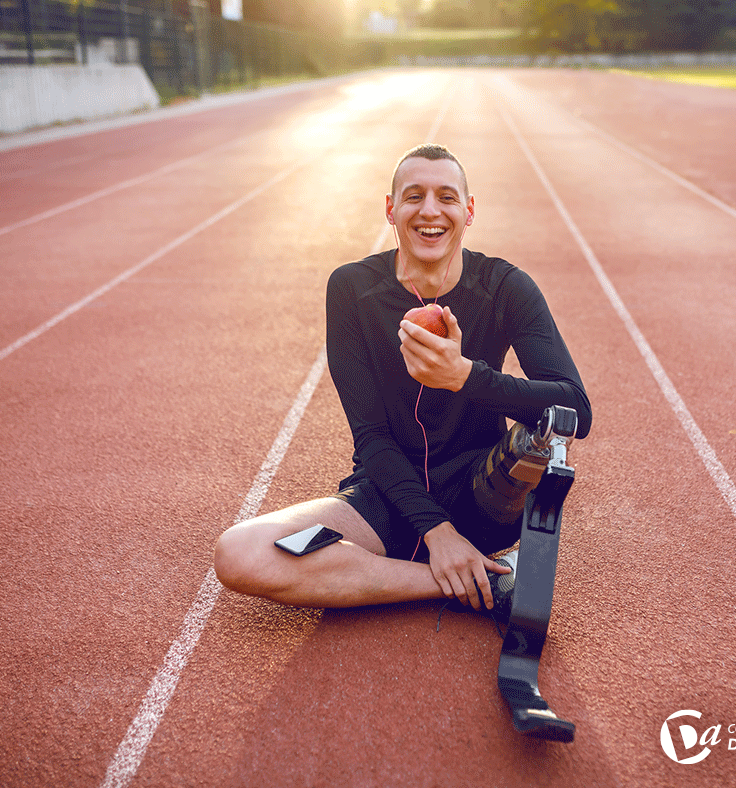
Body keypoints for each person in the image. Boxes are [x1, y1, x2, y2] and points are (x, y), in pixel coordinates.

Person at [214, 144, 591, 623]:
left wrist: (465, 377)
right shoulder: (351, 289)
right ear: (391, 209)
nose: (430, 210)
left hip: (481, 494)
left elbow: (576, 409)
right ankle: (486, 582)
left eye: (447, 197)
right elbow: (371, 436)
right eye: (414, 196)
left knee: (543, 431)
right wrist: (438, 534)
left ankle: (421, 569)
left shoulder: (505, 286)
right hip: (388, 494)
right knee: (239, 553)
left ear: (469, 211)